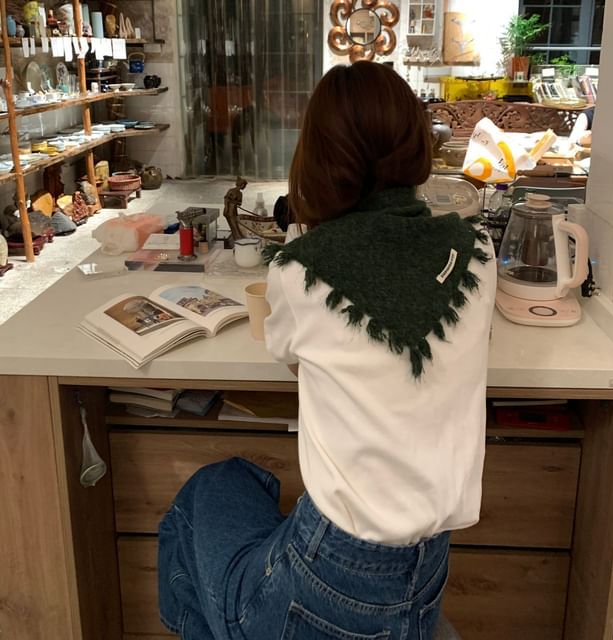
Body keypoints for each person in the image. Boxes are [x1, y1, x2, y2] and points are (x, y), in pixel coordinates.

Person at [158, 61, 496, 640]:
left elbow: (293, 357)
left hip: (327, 573)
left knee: (210, 492)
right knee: (241, 493)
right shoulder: (477, 252)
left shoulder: (300, 271)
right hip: (427, 573)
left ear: (315, 156)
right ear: (418, 144)